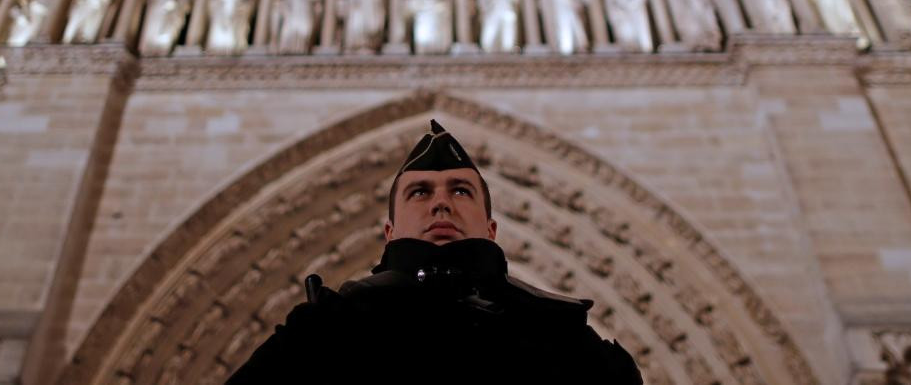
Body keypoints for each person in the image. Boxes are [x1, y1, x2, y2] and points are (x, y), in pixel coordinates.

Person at [227, 120, 642, 384]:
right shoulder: (326, 329)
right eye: (420, 192)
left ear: (491, 228)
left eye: (461, 191)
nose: (441, 204)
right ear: (389, 231)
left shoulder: (562, 333)